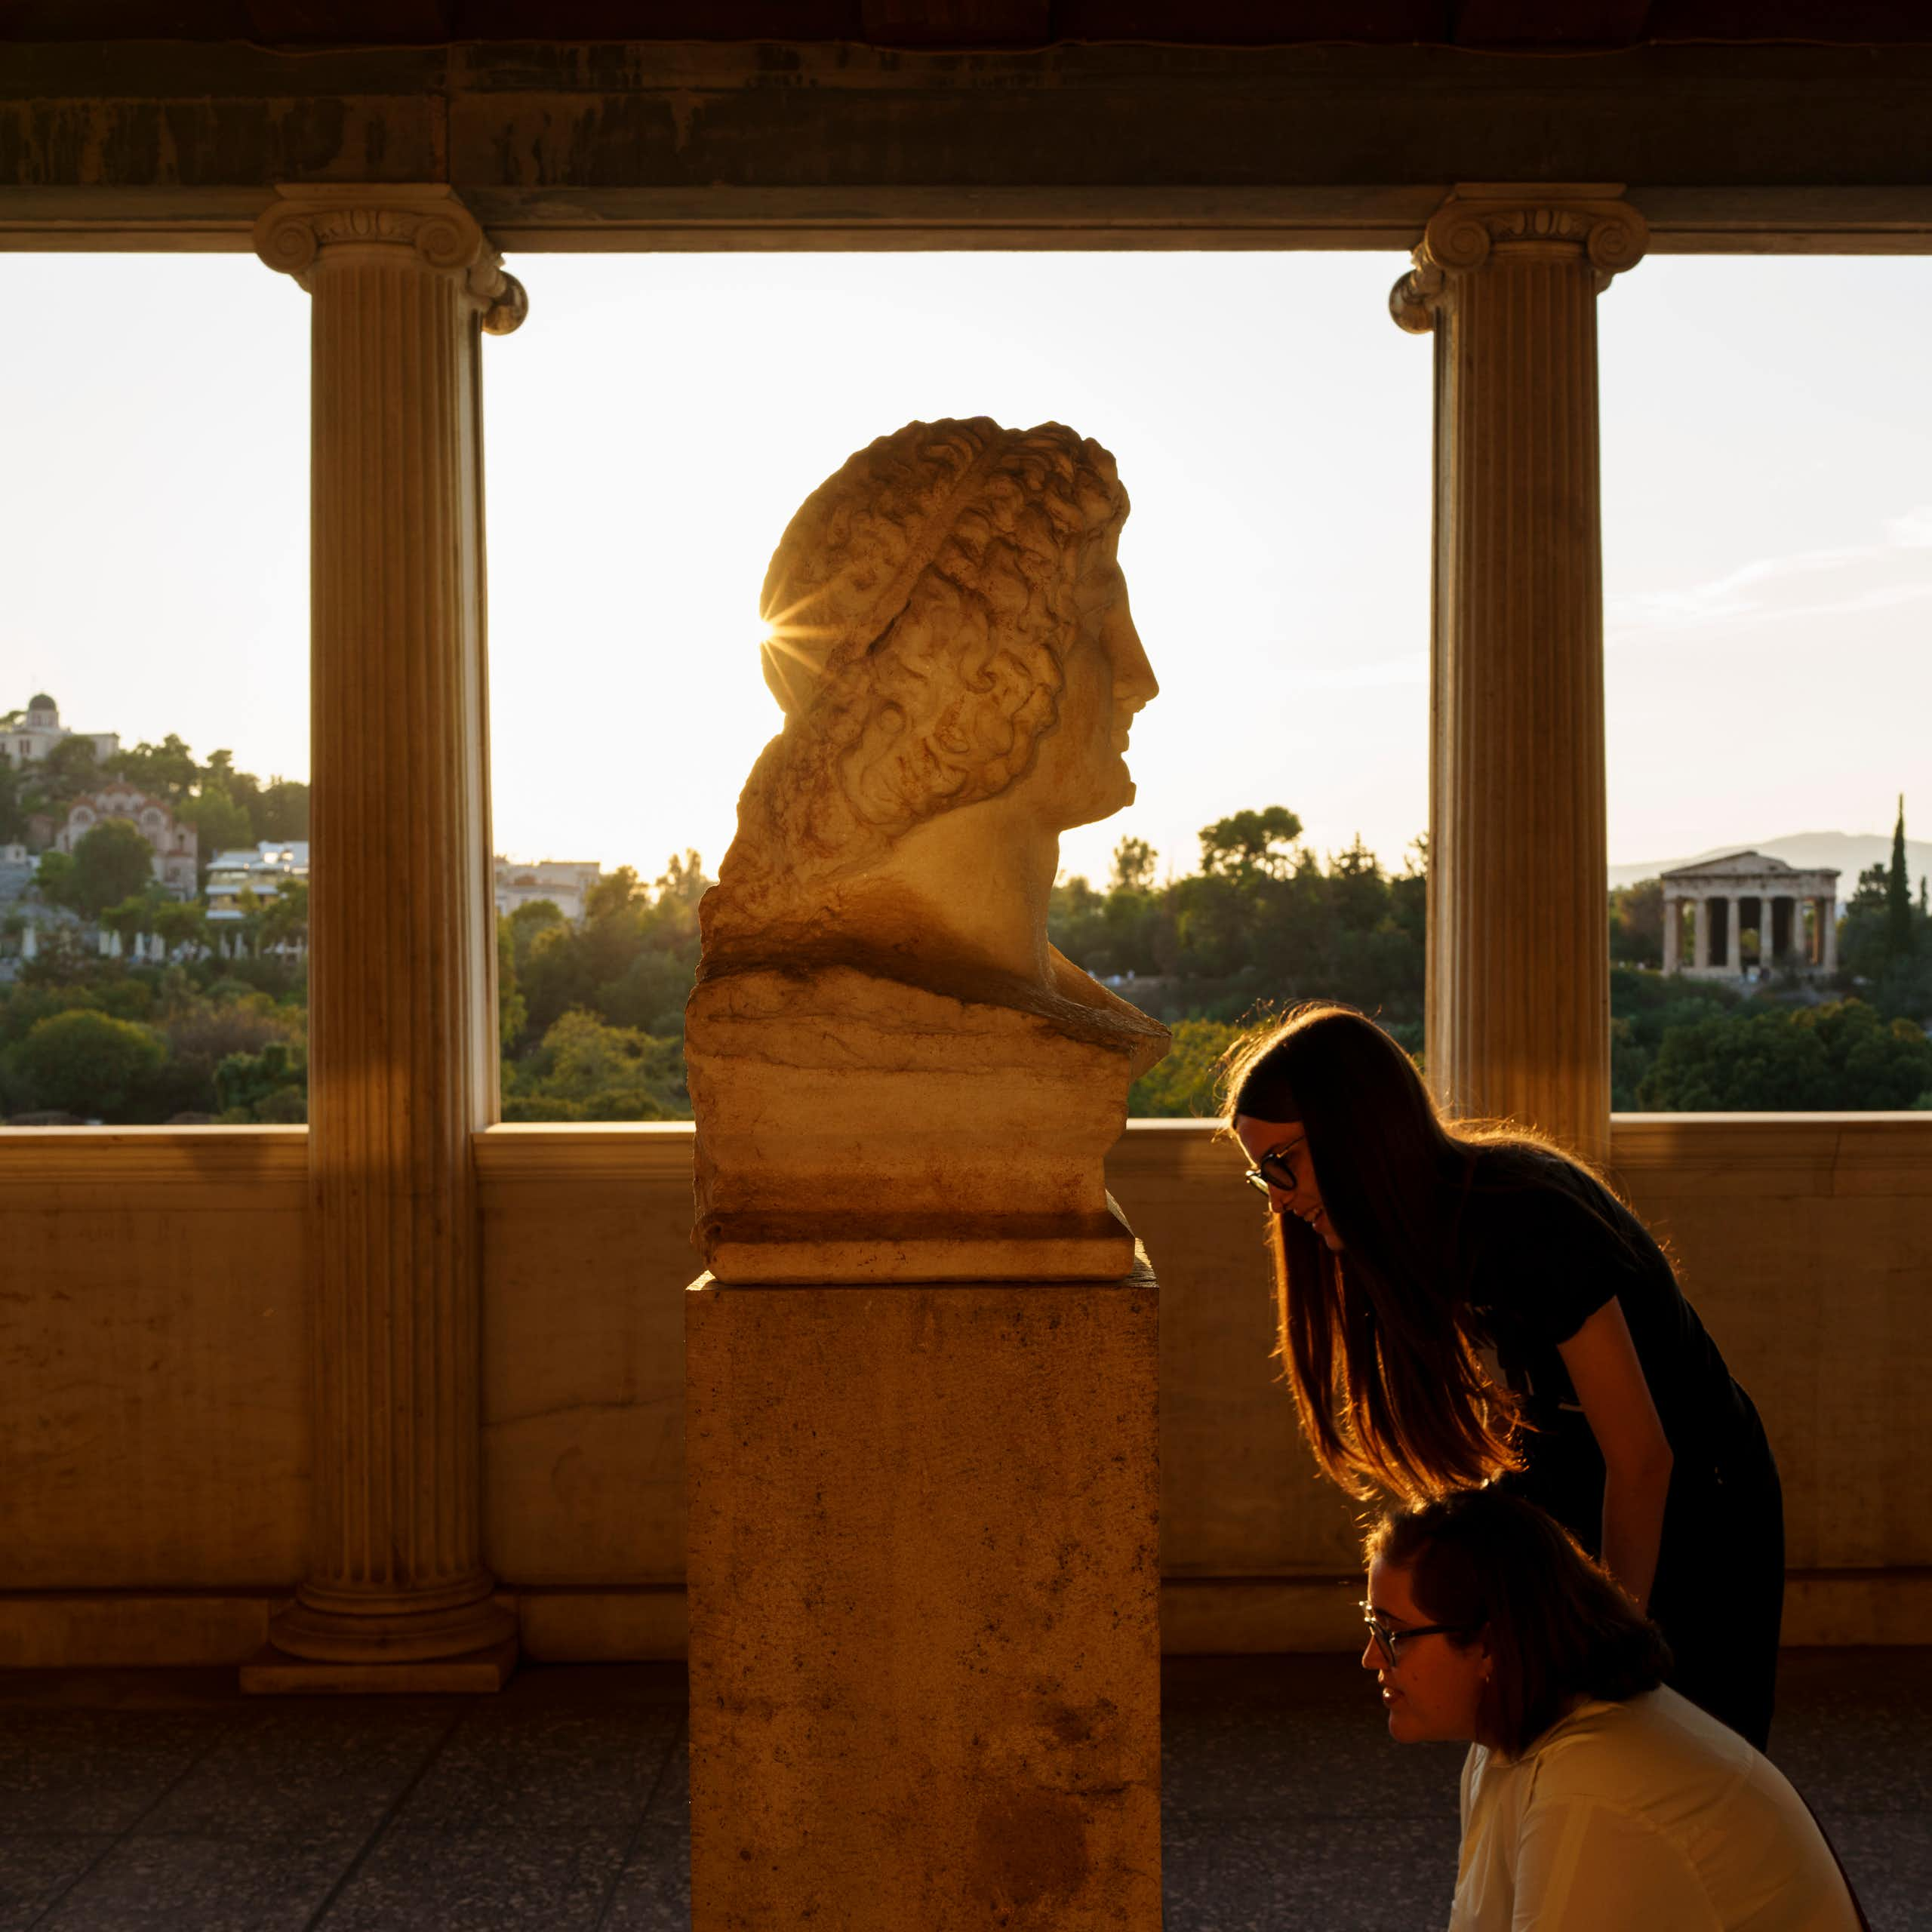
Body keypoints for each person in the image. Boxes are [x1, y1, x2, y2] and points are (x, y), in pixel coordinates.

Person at [1226, 1001, 1785, 1746]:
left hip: (1700, 1506)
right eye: (1258, 1172)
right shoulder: (1424, 1231)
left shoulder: (1527, 1221)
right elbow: (1543, 1427)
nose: (1278, 1196)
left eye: (1281, 1162)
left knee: (1695, 1765)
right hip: (1588, 1493)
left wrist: (1607, 1651)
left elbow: (1644, 1457)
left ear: (1352, 1133)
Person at [1361, 1488, 1863, 1931]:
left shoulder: (1592, 1787)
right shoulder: (1505, 1740)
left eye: (1392, 1634)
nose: (1371, 1657)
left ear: (1490, 1645)